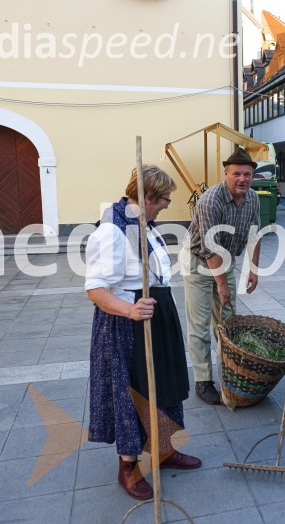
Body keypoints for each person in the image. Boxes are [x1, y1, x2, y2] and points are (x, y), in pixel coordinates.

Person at [85, 165, 201, 501]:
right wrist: (131, 311)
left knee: (162, 386)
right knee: (133, 392)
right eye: (164, 200)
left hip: (155, 317)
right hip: (129, 325)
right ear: (148, 197)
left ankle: (163, 449)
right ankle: (128, 466)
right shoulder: (112, 231)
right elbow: (95, 289)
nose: (166, 206)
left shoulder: (143, 224)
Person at [181, 148, 261, 405]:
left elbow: (255, 235)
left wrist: (253, 270)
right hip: (198, 261)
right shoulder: (210, 200)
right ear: (226, 174)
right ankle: (203, 380)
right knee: (200, 323)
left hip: (224, 261)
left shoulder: (253, 199)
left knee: (227, 320)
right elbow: (209, 247)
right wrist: (222, 284)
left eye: (247, 174)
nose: (242, 179)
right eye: (236, 174)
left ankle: (229, 369)